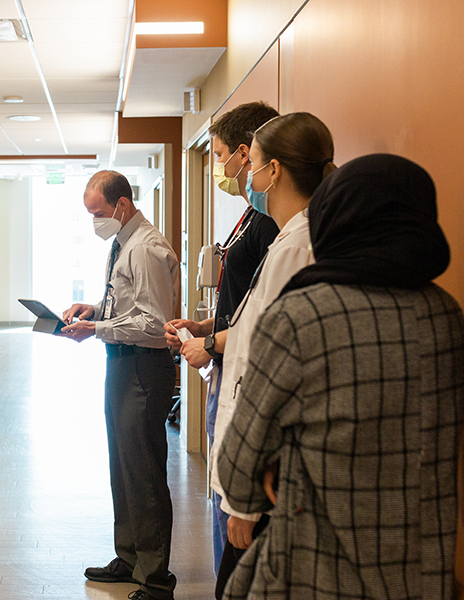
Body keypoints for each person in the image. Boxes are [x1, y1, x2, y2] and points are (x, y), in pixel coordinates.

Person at [217, 154, 463, 599]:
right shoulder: (446, 318)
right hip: (425, 574)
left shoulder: (300, 316)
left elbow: (238, 467)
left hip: (317, 574)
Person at [203, 112, 335, 597]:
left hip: (262, 470)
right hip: (252, 456)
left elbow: (271, 373)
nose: (244, 174)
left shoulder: (297, 246)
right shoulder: (287, 238)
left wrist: (246, 497)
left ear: (273, 170)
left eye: (250, 163)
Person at [163, 101, 280, 573]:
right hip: (225, 366)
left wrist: (208, 346)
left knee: (232, 502)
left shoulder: (273, 224)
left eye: (219, 155)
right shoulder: (248, 217)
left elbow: (264, 321)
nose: (220, 168)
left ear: (246, 154)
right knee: (219, 490)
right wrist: (205, 326)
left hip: (243, 374)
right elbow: (242, 303)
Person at [61, 170, 180, 600]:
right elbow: (128, 304)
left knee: (144, 470)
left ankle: (155, 577)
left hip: (143, 367)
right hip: (121, 364)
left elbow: (153, 322)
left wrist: (96, 330)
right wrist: (94, 310)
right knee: (123, 465)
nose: (95, 221)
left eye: (99, 212)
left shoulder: (146, 247)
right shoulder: (123, 242)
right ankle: (129, 556)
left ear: (122, 205)